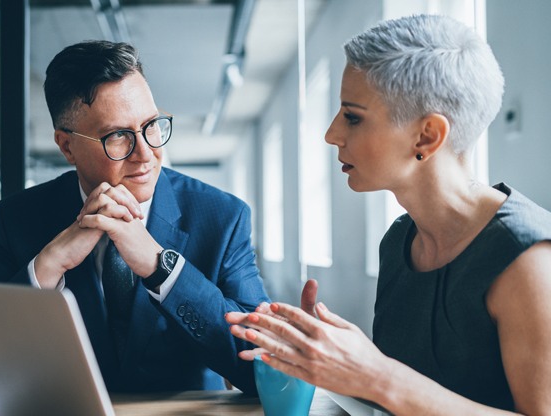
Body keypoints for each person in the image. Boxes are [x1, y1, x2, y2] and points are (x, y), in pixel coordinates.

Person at [226, 14, 551, 415]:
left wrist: (376, 374)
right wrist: (316, 355)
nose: (331, 134)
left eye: (352, 116)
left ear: (427, 136)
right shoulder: (399, 241)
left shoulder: (529, 259)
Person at [0, 40, 269, 395]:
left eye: (152, 125)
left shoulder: (222, 217)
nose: (146, 154)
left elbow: (262, 366)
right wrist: (48, 266)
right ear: (67, 146)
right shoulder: (20, 219)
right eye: (118, 136)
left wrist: (162, 268)